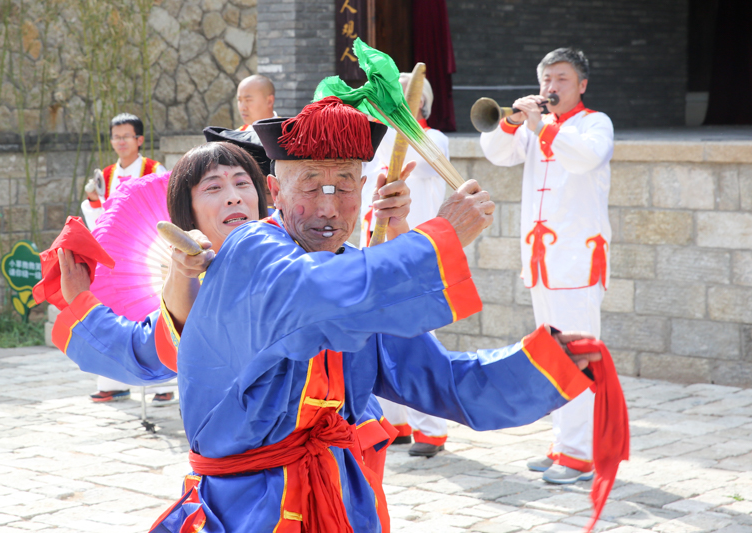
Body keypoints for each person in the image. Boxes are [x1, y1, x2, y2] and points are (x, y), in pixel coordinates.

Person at [149, 96, 601, 533]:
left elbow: (439, 379)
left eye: (344, 185)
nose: (328, 207)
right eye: (309, 185)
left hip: (344, 496)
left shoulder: (350, 272)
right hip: (248, 507)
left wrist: (545, 364)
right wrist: (438, 237)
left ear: (363, 190)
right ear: (275, 191)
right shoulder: (252, 254)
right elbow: (315, 292)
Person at [54, 137, 400, 480]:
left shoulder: (304, 256)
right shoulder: (196, 294)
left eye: (241, 183)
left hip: (349, 465)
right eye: (213, 187)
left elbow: (392, 330)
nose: (233, 195)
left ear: (268, 195)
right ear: (187, 214)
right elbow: (139, 354)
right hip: (254, 484)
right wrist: (81, 299)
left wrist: (397, 232)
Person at [480, 48, 614, 485]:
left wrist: (543, 124)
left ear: (582, 85)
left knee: (578, 354)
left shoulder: (596, 124)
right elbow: (496, 151)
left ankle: (581, 453)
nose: (551, 88)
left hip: (577, 257)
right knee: (551, 353)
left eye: (561, 79)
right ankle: (563, 442)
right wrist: (516, 122)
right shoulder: (537, 125)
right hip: (540, 259)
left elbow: (583, 158)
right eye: (545, 80)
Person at [361, 73, 451, 458]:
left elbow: (410, 159)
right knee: (381, 336)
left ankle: (431, 428)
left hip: (416, 252)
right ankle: (394, 421)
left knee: (418, 338)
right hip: (375, 250)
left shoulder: (433, 139)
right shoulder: (379, 142)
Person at [79, 113, 168, 402]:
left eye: (126, 136)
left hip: (146, 253)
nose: (120, 141)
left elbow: (162, 208)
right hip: (112, 256)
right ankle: (113, 381)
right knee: (111, 312)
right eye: (116, 136)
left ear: (139, 140)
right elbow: (98, 219)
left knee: (151, 313)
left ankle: (162, 385)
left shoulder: (155, 169)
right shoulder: (104, 176)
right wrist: (93, 200)